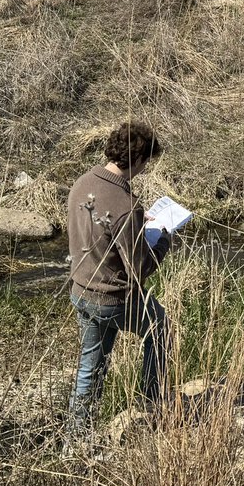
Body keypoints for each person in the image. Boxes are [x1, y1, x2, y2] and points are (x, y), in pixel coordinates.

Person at [66, 121, 173, 433]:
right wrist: (163, 240)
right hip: (113, 297)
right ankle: (153, 402)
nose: (145, 168)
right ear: (138, 160)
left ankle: (77, 436)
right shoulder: (127, 205)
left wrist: (137, 224)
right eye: (146, 162)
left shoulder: (82, 182)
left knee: (90, 366)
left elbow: (95, 229)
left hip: (81, 288)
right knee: (160, 328)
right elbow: (138, 269)